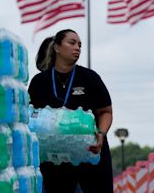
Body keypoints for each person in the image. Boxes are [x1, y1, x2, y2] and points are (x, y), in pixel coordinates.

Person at [28, 29, 114, 193]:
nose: (77, 48)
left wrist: (101, 134)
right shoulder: (40, 82)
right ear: (57, 47)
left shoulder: (89, 77)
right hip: (54, 160)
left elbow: (105, 112)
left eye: (80, 45)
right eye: (72, 43)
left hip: (90, 154)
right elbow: (31, 117)